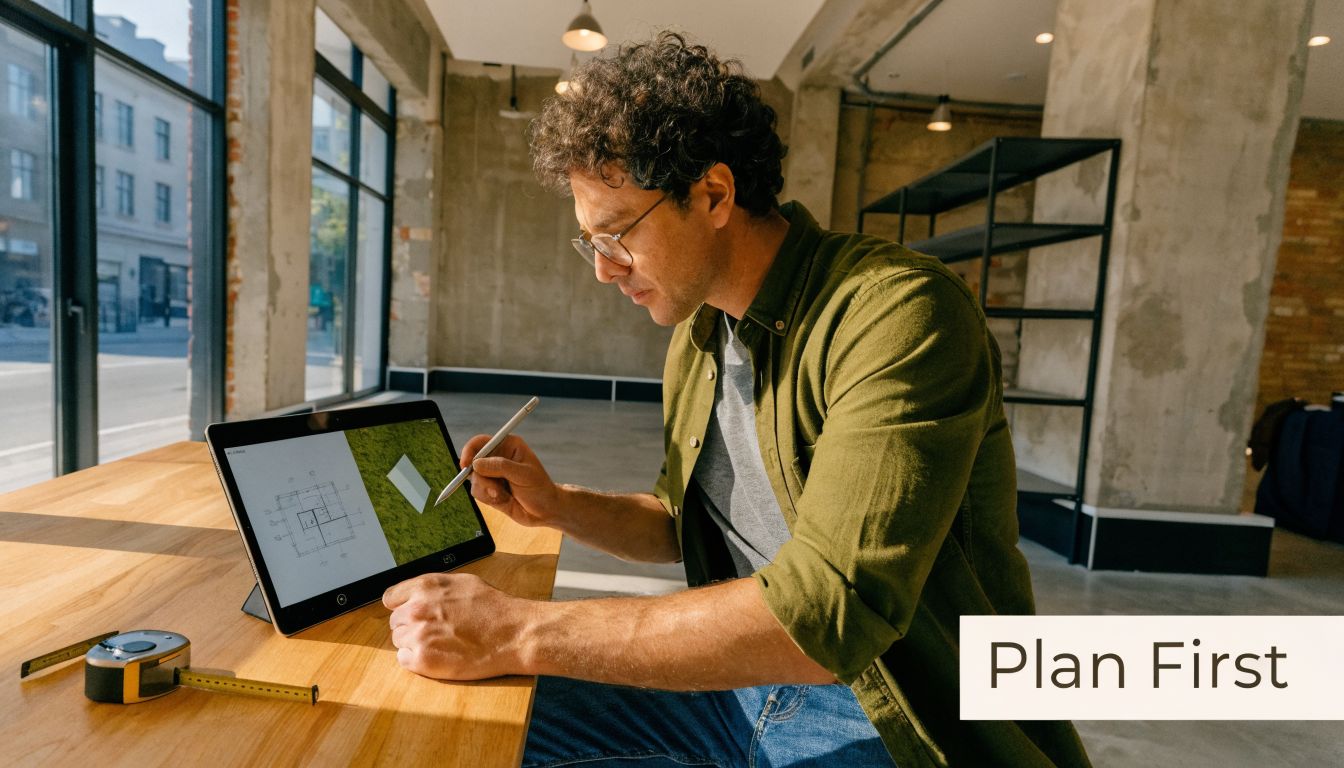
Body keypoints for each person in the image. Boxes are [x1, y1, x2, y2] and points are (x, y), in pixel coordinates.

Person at [382, 32, 1092, 767]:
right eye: (588, 242)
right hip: (734, 688)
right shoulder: (700, 332)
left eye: (616, 235)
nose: (602, 269)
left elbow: (829, 614)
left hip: (890, 716)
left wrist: (518, 630)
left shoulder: (897, 314)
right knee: (460, 728)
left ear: (713, 194)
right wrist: (560, 504)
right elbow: (682, 521)